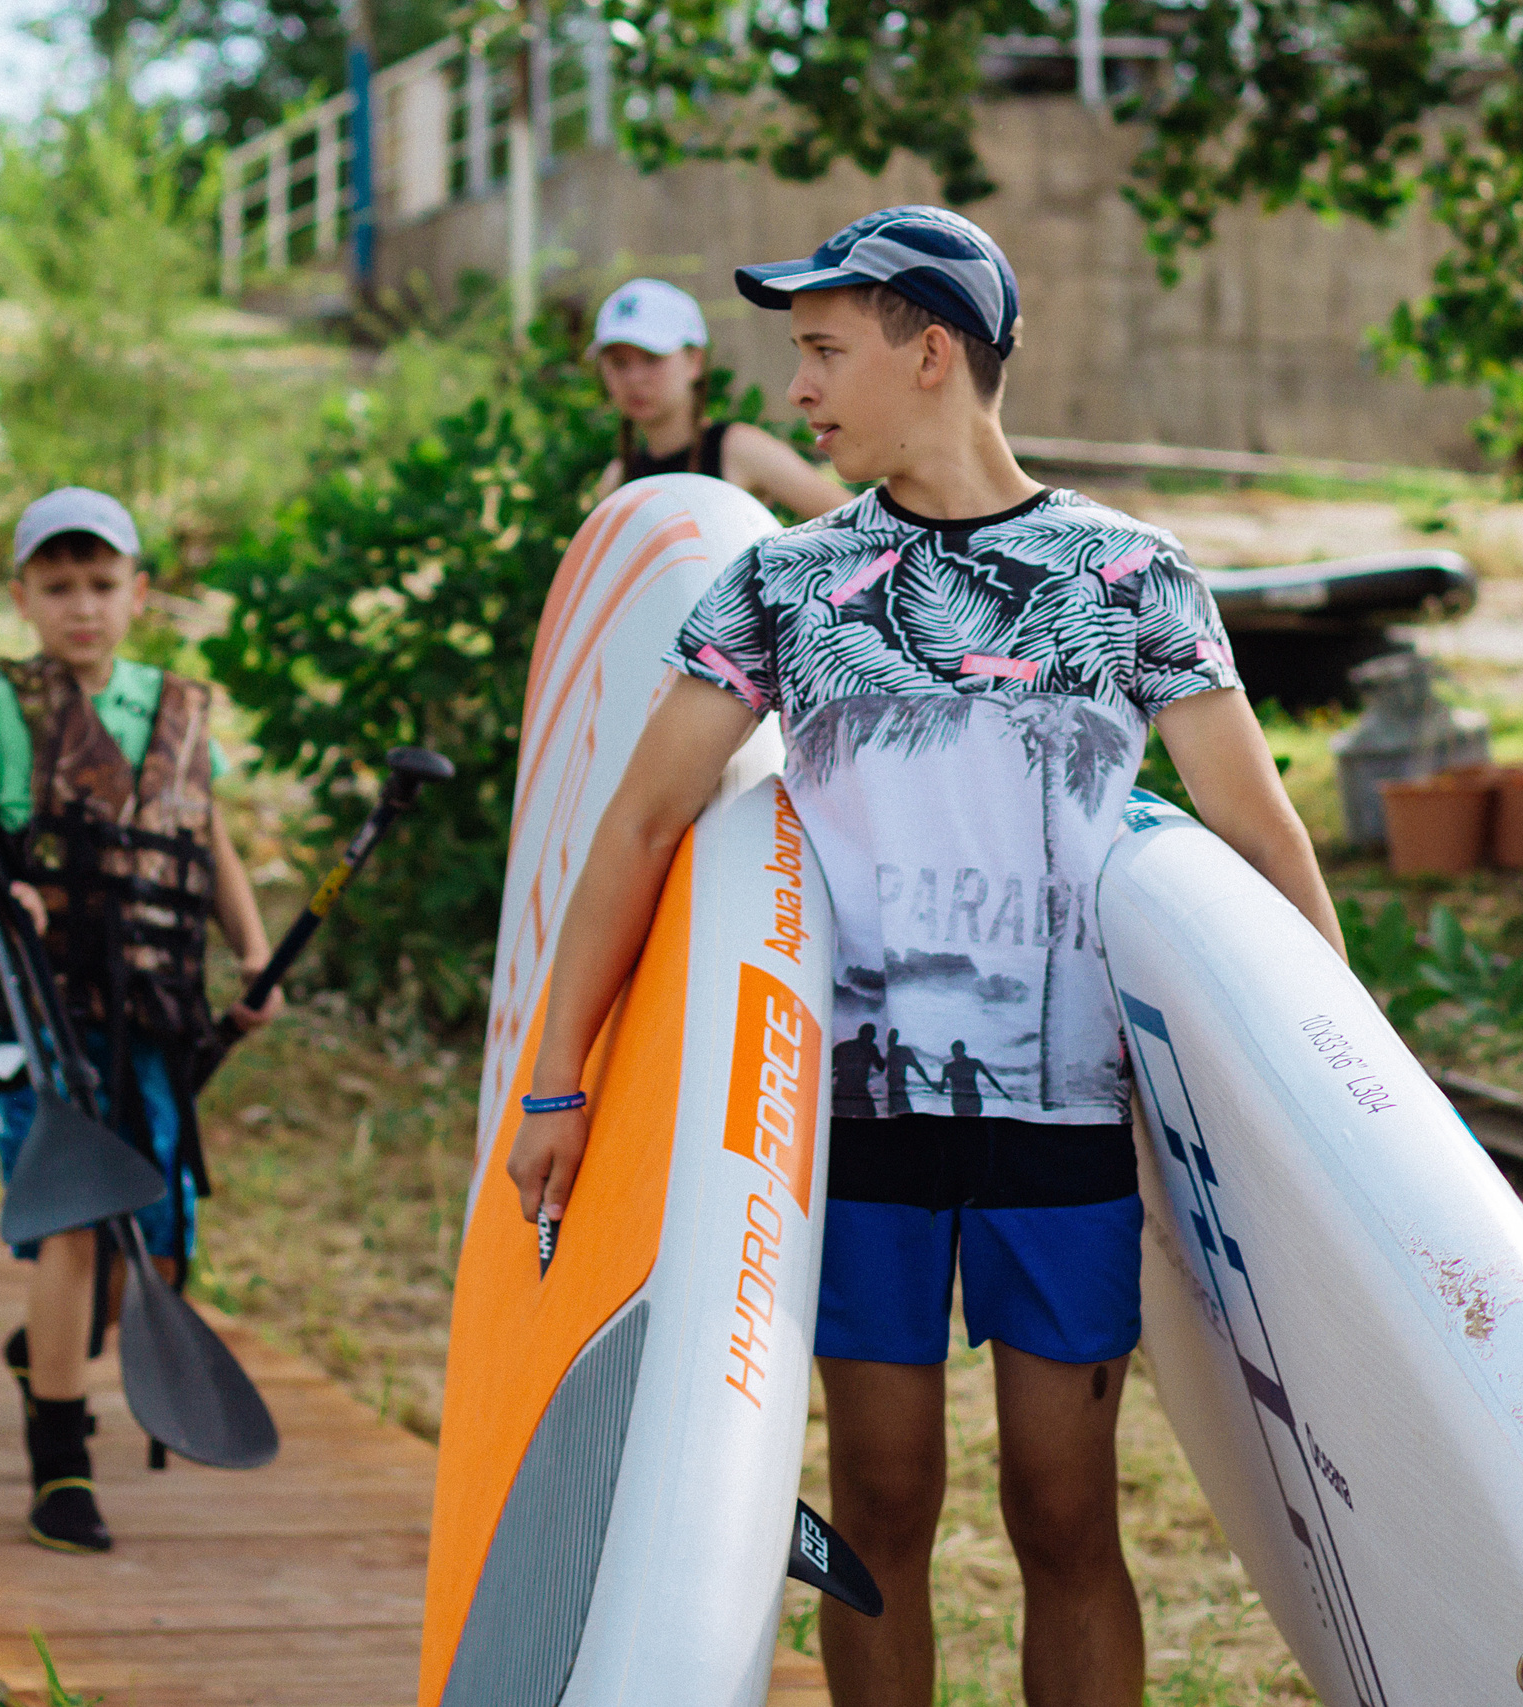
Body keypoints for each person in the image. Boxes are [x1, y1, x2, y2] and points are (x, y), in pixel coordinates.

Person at [506, 207, 1340, 1707]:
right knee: (877, 1511)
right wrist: (555, 1080)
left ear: (932, 351)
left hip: (1065, 1120)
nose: (798, 389)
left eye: (826, 351)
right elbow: (639, 823)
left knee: (1064, 1511)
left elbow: (1260, 836)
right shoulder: (786, 583)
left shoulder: (1128, 573)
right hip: (859, 1123)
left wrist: (1338, 1096)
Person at [0, 488, 283, 1556]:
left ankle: (50, 1346)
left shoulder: (178, 711)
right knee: (76, 1221)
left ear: (139, 594)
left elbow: (208, 843)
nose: (82, 606)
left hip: (154, 1009)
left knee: (152, 1245)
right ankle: (60, 1461)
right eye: (59, 586)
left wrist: (254, 955)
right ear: (23, 597)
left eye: (102, 584)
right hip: (43, 1008)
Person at [589, 276, 846, 520]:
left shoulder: (738, 449)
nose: (634, 378)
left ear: (694, 361)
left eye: (652, 358)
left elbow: (857, 524)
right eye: (619, 363)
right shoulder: (616, 479)